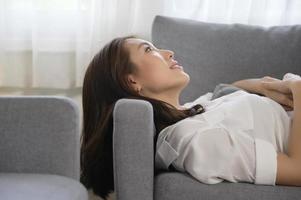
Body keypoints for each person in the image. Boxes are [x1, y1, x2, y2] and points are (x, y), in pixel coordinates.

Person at [80, 36, 301, 200]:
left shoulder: (193, 110)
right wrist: (298, 89)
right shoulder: (192, 141)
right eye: (149, 50)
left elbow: (226, 90)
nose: (168, 52)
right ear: (131, 82)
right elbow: (297, 170)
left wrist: (265, 86)